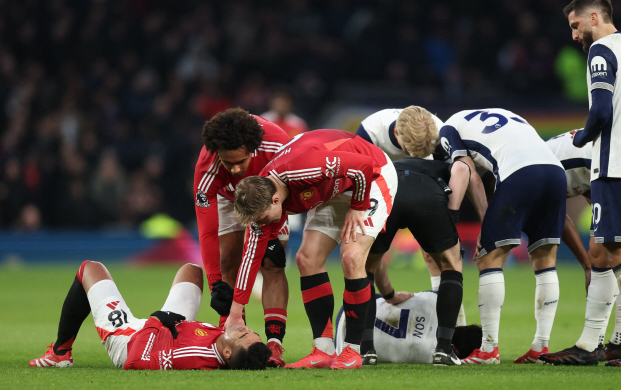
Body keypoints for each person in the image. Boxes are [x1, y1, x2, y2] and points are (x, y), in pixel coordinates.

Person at [539, 0, 621, 367]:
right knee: (605, 253)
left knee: (617, 254)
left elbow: (598, 111)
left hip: (614, 165)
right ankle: (589, 345)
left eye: (576, 25)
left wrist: (582, 136)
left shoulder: (602, 51)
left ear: (594, 17)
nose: (574, 35)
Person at [232, 129, 398, 369]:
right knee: (306, 258)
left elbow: (362, 164)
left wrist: (358, 205)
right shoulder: (261, 195)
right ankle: (323, 349)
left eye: (264, 218)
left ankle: (353, 351)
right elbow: (251, 256)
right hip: (334, 186)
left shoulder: (303, 169)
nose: (263, 224)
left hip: (371, 177)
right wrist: (236, 310)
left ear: (276, 200)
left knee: (351, 257)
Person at [440, 108, 567, 365]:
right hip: (555, 172)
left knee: (489, 258)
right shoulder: (508, 115)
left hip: (520, 173)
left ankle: (488, 350)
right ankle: (541, 348)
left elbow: (469, 172)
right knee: (545, 257)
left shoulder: (447, 128)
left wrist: (486, 222)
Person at [542, 133, 621, 364]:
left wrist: (585, 264)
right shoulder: (547, 152)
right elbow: (588, 187)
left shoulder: (531, 171)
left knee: (601, 254)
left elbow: (558, 218)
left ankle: (593, 345)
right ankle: (620, 341)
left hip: (615, 158)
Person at [29, 261, 270, 370]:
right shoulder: (229, 347)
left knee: (89, 269)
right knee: (192, 271)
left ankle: (60, 353)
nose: (243, 329)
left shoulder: (191, 355)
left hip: (133, 339)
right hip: (173, 328)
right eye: (250, 331)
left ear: (227, 353)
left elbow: (136, 361)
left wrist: (156, 321)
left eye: (241, 335)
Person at [195, 107, 290, 366]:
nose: (236, 170)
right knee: (228, 262)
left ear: (253, 149)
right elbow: (207, 230)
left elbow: (288, 191)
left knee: (272, 261)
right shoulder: (207, 167)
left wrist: (272, 229)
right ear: (217, 155)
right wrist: (216, 285)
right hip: (228, 198)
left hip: (270, 194)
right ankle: (235, 338)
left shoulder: (277, 145)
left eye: (242, 161)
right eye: (229, 163)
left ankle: (274, 344)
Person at [356, 106, 467, 327]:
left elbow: (453, 174)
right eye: (411, 148)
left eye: (421, 149)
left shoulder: (437, 133)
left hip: (423, 189)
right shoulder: (370, 132)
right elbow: (357, 175)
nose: (415, 152)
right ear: (397, 133)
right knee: (365, 257)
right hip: (381, 191)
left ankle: (454, 327)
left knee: (436, 256)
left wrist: (450, 216)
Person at [361, 158, 470, 366]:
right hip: (425, 192)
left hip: (387, 191)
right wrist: (452, 216)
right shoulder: (443, 163)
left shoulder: (387, 162)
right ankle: (444, 350)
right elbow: (462, 168)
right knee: (451, 264)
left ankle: (366, 350)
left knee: (366, 266)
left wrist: (389, 295)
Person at [335, 292, 482, 364]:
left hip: (353, 308)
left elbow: (448, 292)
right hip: (343, 341)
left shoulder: (435, 300)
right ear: (455, 351)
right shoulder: (430, 357)